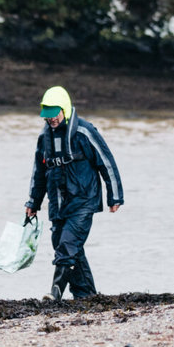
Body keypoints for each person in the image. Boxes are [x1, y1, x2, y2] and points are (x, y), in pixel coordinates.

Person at [24, 85, 123, 300]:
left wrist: (114, 196)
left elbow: (107, 162)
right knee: (65, 246)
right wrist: (33, 201)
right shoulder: (44, 138)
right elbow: (39, 172)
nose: (51, 120)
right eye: (47, 116)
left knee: (67, 246)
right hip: (57, 204)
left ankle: (55, 293)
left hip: (84, 200)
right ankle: (86, 295)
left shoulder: (84, 132)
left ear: (65, 109)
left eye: (55, 114)